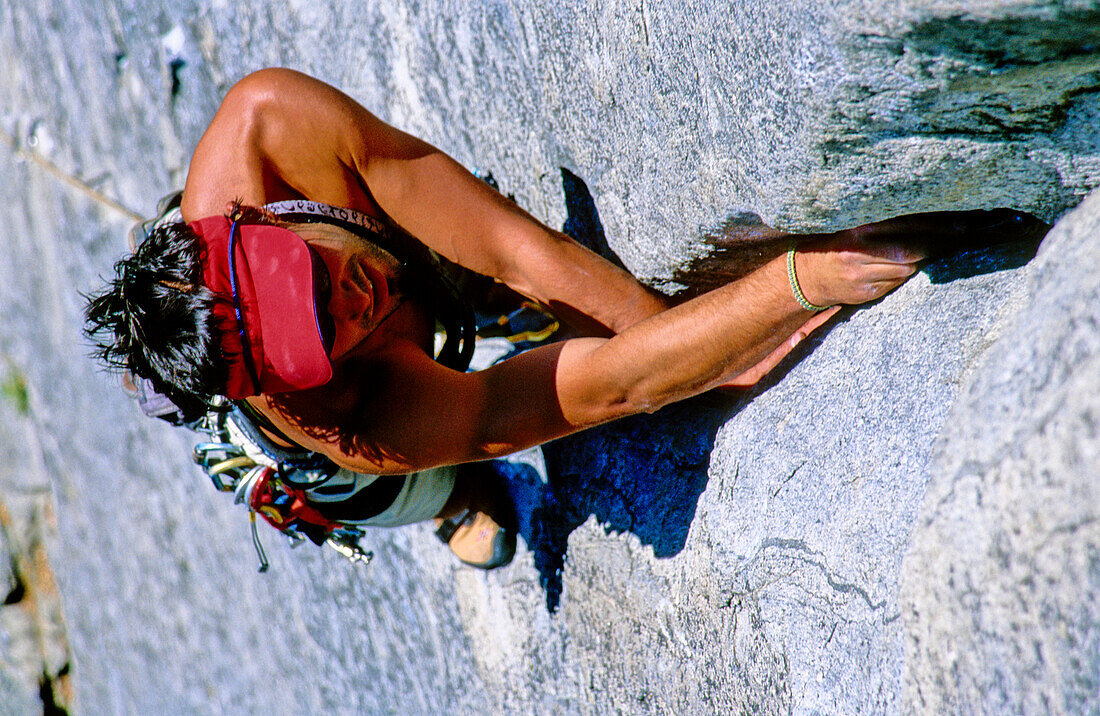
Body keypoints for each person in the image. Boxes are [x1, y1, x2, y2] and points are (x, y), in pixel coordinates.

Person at [84, 68, 1041, 569]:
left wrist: (677, 328)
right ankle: (452, 505)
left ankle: (455, 306)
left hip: (338, 244)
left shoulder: (270, 127)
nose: (351, 304)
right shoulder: (344, 419)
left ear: (254, 222)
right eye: (319, 337)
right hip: (335, 448)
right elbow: (609, 387)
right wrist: (802, 281)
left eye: (312, 278)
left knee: (472, 274)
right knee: (427, 484)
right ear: (302, 374)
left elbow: (518, 249)